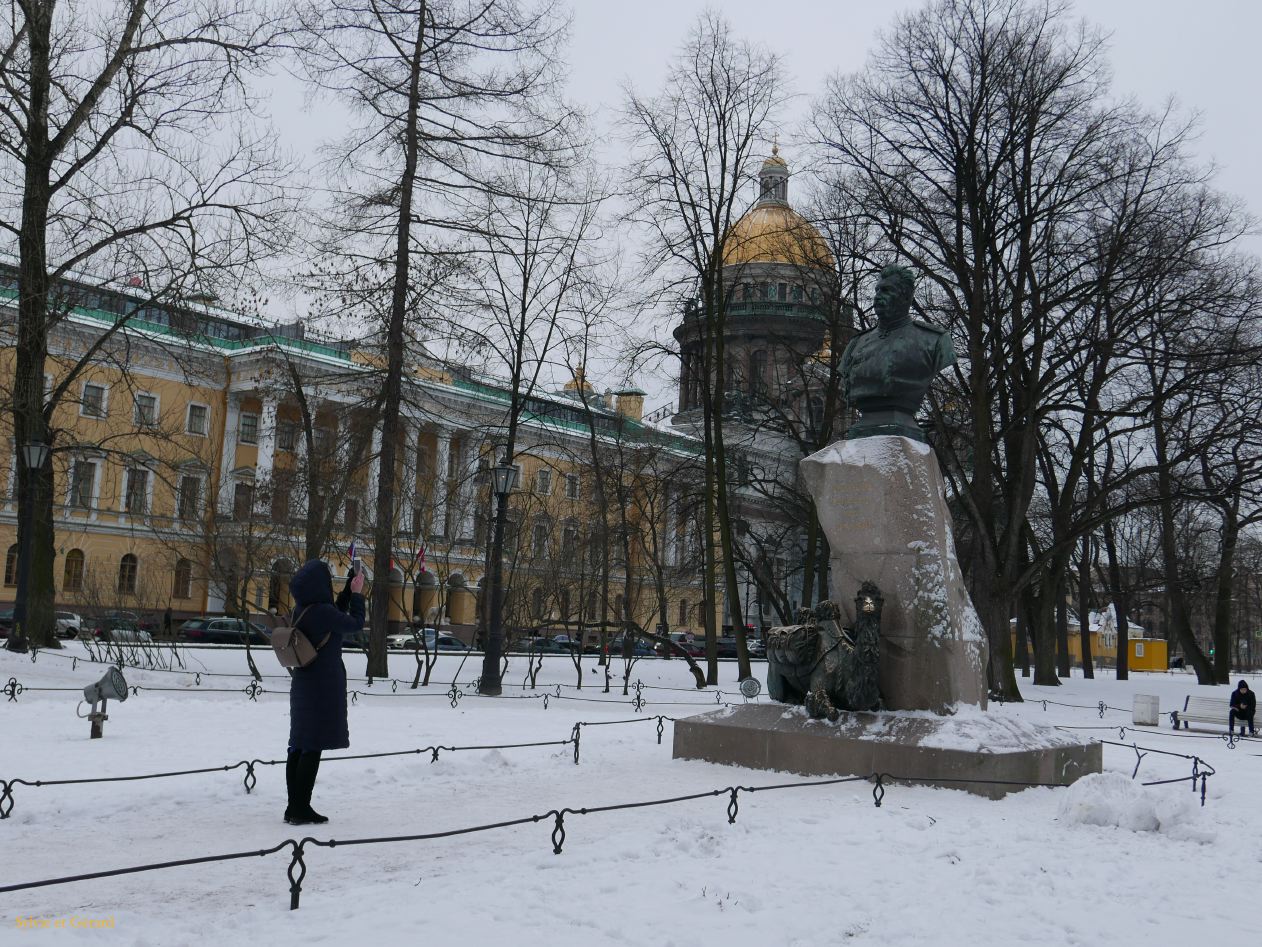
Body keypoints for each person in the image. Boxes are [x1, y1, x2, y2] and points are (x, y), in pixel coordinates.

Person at [285, 559, 366, 825]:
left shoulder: (302, 608)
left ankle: (293, 806)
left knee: (298, 745)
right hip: (321, 686)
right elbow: (353, 624)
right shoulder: (321, 611)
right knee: (312, 747)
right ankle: (301, 808)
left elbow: (334, 616)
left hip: (303, 684)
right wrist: (357, 596)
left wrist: (346, 589)